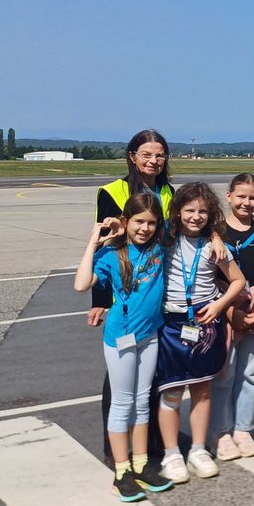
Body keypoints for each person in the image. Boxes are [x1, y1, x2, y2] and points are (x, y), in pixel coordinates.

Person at [72, 193, 174, 502]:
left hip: (149, 335)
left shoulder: (158, 247)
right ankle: (122, 471)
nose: (145, 228)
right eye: (138, 222)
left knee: (143, 400)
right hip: (120, 338)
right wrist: (96, 240)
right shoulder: (112, 255)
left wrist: (133, 224)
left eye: (151, 223)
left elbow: (178, 224)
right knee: (122, 402)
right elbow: (81, 284)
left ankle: (141, 465)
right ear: (127, 222)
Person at [92, 130, 174, 466]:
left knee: (149, 376)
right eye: (147, 155)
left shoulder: (168, 191)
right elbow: (104, 246)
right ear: (132, 156)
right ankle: (115, 447)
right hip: (123, 293)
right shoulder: (113, 191)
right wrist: (99, 299)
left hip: (155, 290)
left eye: (160, 155)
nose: (153, 161)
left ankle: (149, 441)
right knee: (120, 378)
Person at [157, 183, 247, 483]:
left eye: (202, 212)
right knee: (170, 391)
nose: (195, 217)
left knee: (202, 388)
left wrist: (220, 305)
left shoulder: (214, 246)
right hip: (171, 323)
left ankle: (197, 450)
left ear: (211, 215)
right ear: (177, 212)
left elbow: (238, 281)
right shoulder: (165, 240)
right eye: (189, 211)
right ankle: (171, 454)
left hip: (206, 323)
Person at [210, 174, 254, 461]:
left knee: (251, 371)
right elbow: (209, 277)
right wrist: (230, 311)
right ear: (229, 196)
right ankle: (221, 431)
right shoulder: (216, 232)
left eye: (252, 198)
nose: (246, 203)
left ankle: (243, 428)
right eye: (241, 197)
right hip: (224, 310)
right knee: (225, 372)